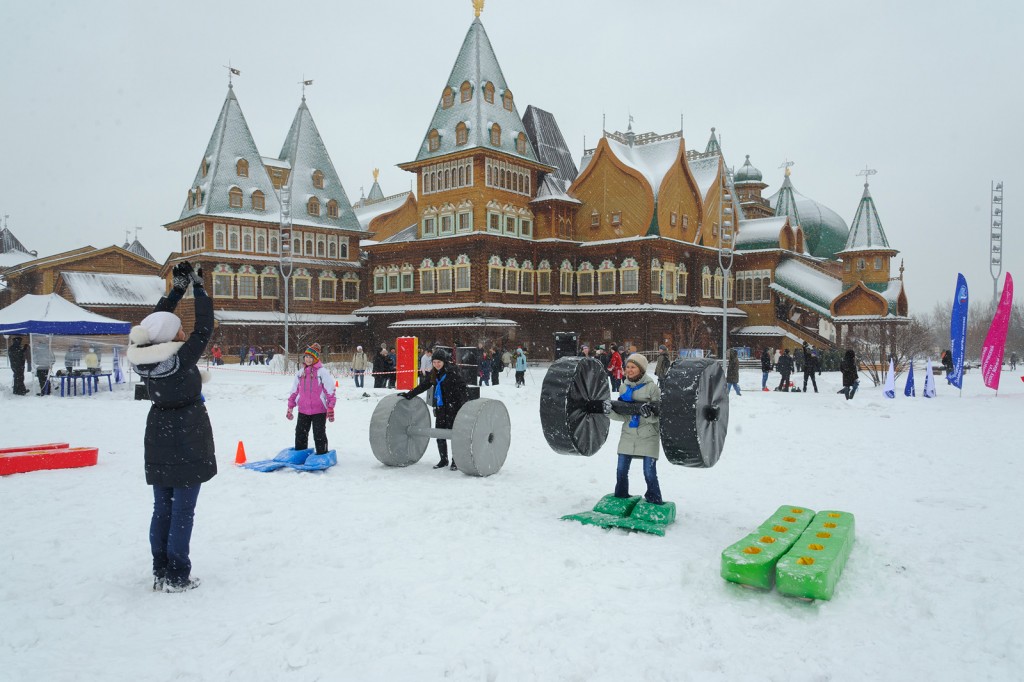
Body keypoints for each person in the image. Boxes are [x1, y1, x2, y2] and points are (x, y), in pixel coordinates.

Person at [127, 261, 214, 593]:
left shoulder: (144, 355)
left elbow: (152, 325)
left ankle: (161, 568)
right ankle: (177, 574)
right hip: (187, 433)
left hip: (159, 431)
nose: (183, 331)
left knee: (162, 506)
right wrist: (200, 289)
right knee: (183, 510)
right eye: (179, 328)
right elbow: (204, 327)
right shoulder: (179, 358)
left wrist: (177, 290)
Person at [602, 353, 663, 505]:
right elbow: (624, 416)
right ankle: (621, 496)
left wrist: (648, 415)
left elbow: (659, 417)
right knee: (621, 471)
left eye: (633, 367)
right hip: (628, 434)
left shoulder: (652, 388)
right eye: (627, 367)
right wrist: (610, 412)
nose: (629, 370)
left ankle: (654, 500)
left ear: (641, 369)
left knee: (649, 473)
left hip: (648, 435)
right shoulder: (623, 387)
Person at [399, 349, 467, 470]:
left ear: (444, 361)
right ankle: (443, 459)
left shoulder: (453, 372)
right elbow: (424, 385)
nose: (436, 364)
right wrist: (410, 394)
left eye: (439, 362)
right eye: (434, 362)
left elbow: (462, 389)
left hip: (453, 407)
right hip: (441, 407)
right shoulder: (434, 373)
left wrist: (461, 405)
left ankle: (455, 461)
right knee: (439, 433)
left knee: (454, 434)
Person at [286, 344, 336, 456]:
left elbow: (330, 390)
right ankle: (300, 453)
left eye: (311, 357)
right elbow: (294, 390)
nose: (308, 359)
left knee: (319, 434)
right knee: (300, 433)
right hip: (303, 409)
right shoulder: (300, 373)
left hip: (319, 410)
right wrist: (290, 406)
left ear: (316, 358)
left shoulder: (322, 372)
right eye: (306, 357)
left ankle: (322, 454)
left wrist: (330, 406)